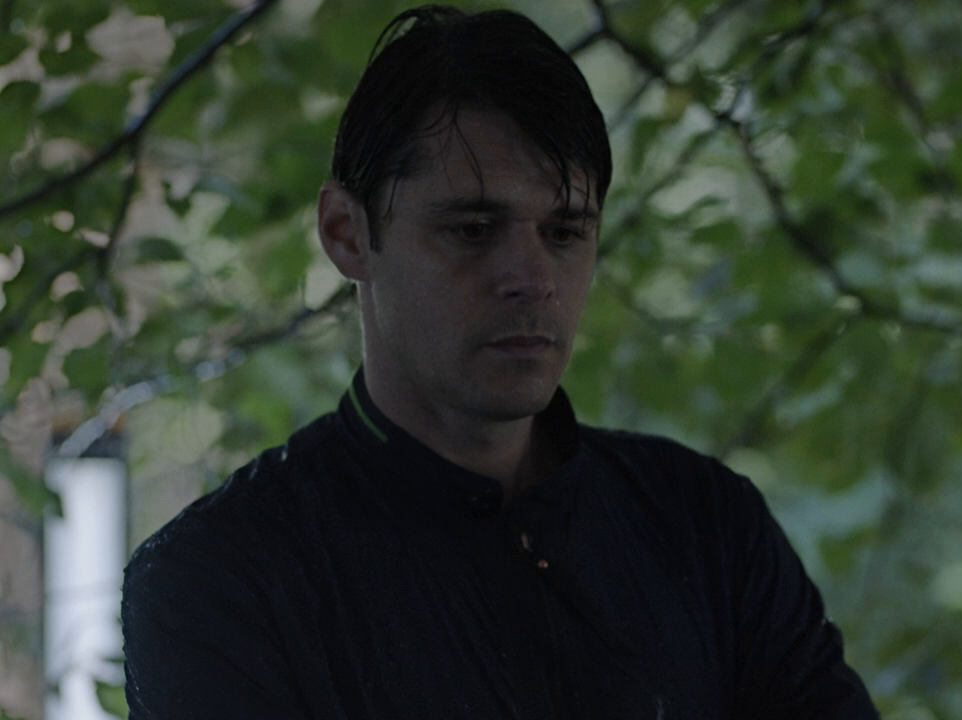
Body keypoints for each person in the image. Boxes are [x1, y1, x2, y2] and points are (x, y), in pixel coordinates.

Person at [121, 5, 879, 719]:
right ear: (348, 234)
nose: (533, 278)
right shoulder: (222, 580)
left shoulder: (706, 525)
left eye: (565, 231)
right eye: (474, 229)